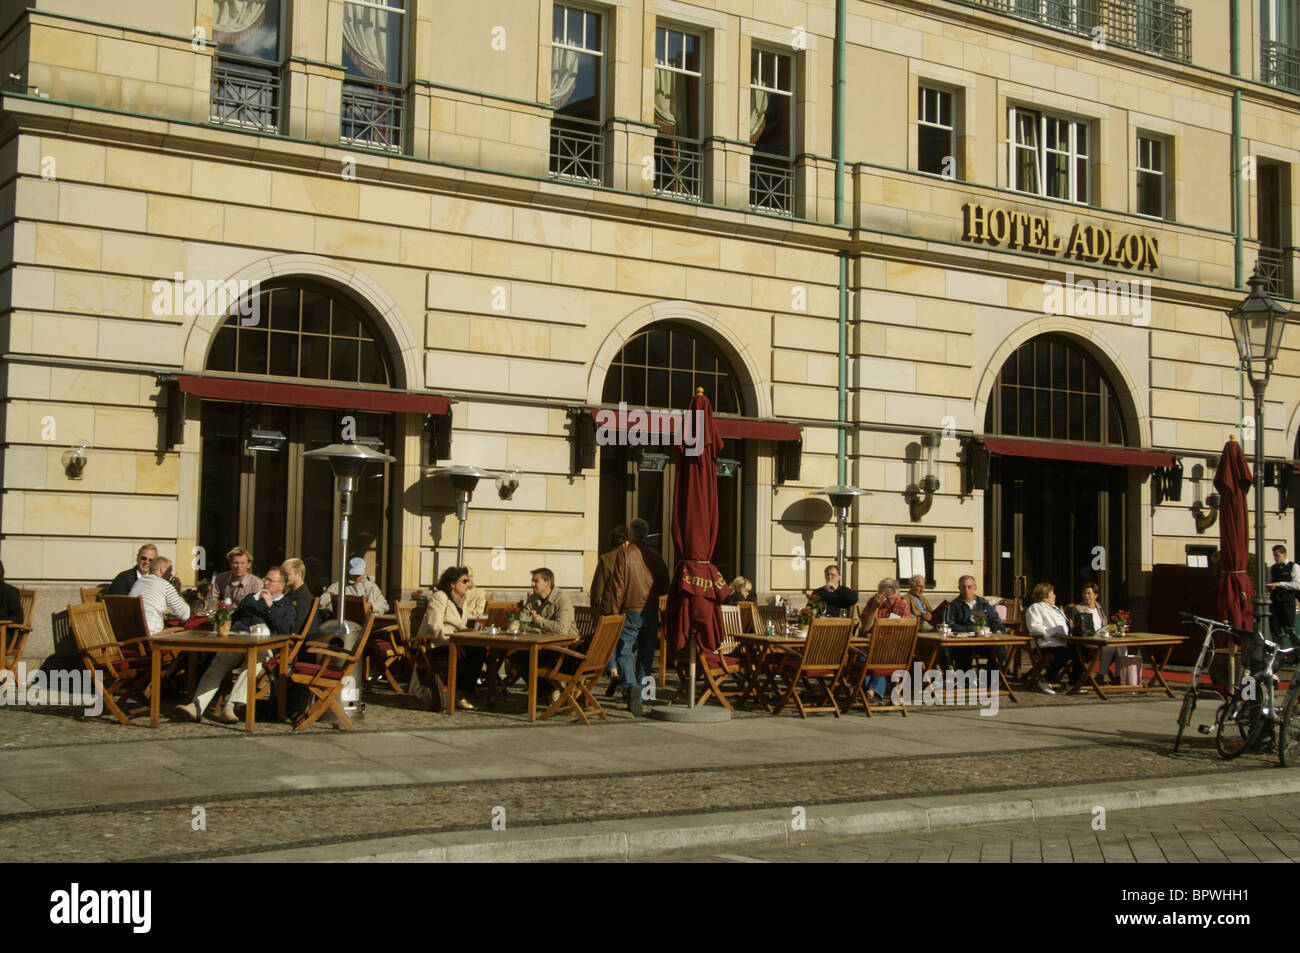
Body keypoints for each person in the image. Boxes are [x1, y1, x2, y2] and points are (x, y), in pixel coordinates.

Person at [178, 566, 297, 723]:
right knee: (219, 662)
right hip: (240, 641)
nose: (265, 582)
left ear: (281, 585)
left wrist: (270, 608)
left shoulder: (286, 606)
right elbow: (234, 619)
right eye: (265, 579)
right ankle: (196, 706)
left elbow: (286, 630)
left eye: (270, 580)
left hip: (264, 647)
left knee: (253, 663)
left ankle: (231, 706)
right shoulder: (250, 599)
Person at [610, 518, 670, 716]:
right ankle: (644, 693)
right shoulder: (656, 556)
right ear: (646, 534)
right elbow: (664, 586)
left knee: (624, 651)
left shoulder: (624, 555)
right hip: (651, 610)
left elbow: (618, 587)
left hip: (631, 609)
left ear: (630, 534)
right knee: (646, 654)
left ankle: (631, 686)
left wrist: (614, 613)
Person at [416, 566, 485, 709]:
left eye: (468, 581)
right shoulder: (440, 597)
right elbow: (434, 625)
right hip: (435, 643)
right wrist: (451, 642)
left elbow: (459, 624)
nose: (468, 584)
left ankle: (459, 692)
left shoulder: (462, 600)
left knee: (479, 649)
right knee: (468, 653)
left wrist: (466, 631)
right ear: (453, 584)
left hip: (453, 641)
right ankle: (456, 694)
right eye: (464, 581)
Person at [945, 575, 1007, 670]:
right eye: (964, 587)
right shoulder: (953, 605)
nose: (967, 590)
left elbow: (997, 623)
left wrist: (998, 631)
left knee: (1001, 651)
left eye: (969, 587)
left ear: (975, 588)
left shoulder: (985, 604)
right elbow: (949, 624)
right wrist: (971, 630)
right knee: (961, 652)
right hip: (963, 642)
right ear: (959, 588)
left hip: (984, 642)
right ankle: (966, 681)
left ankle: (987, 681)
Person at [1024, 582, 1075, 693]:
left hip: (1063, 640)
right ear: (1044, 595)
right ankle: (1046, 679)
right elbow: (1034, 627)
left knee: (1081, 650)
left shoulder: (1056, 609)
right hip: (1046, 643)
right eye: (1053, 593)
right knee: (1064, 652)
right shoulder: (1035, 608)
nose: (1055, 596)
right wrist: (1053, 633)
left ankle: (1074, 683)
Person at [127, 556, 191, 635]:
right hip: (151, 635)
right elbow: (185, 614)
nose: (171, 574)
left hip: (131, 633)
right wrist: (178, 592)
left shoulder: (138, 582)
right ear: (162, 570)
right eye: (170, 570)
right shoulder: (165, 585)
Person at [1070, 582, 1118, 681]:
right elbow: (1082, 627)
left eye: (1089, 593)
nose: (1086, 596)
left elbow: (1107, 623)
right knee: (1109, 648)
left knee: (1122, 647)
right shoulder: (1078, 608)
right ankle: (1101, 675)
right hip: (1089, 640)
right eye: (1084, 593)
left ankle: (1120, 676)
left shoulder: (1101, 607)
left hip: (1103, 636)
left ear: (1095, 595)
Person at [318, 557, 389, 616]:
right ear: (348, 571)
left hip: (367, 625)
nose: (357, 577)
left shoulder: (371, 587)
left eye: (359, 574)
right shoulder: (338, 586)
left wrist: (370, 605)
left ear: (364, 571)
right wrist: (341, 608)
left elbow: (384, 605)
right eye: (354, 574)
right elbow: (322, 602)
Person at [590, 525, 629, 616]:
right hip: (630, 611)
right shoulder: (634, 558)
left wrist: (594, 607)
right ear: (625, 542)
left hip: (609, 610)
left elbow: (597, 589)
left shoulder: (605, 559)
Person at [1267, 545, 1299, 644]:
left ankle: (1296, 653)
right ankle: (1278, 655)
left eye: (1277, 555)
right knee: (1275, 630)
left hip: (1287, 603)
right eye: (1274, 555)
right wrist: (1269, 586)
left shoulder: (1294, 566)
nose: (1275, 558)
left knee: (1290, 630)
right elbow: (1269, 581)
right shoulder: (1272, 568)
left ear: (1284, 554)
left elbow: (1297, 585)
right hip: (1274, 602)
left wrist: (1279, 584)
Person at [280, 558, 319, 635]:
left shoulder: (304, 598)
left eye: (287, 574)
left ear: (299, 574)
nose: (283, 578)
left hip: (288, 642)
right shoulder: (292, 595)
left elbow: (297, 627)